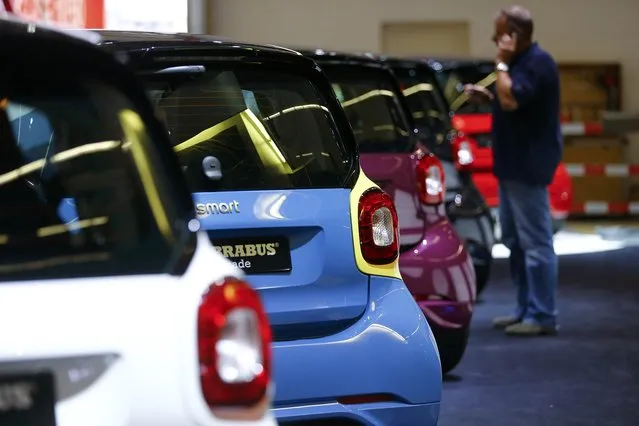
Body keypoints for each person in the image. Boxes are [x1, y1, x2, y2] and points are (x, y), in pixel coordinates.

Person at [464, 5, 561, 336]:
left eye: (499, 33)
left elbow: (512, 101)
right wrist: (487, 97)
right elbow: (508, 100)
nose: (494, 38)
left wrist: (501, 63)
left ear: (513, 35)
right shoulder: (523, 64)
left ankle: (543, 314)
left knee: (535, 242)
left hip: (528, 165)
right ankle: (525, 308)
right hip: (512, 164)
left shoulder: (536, 63)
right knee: (514, 239)